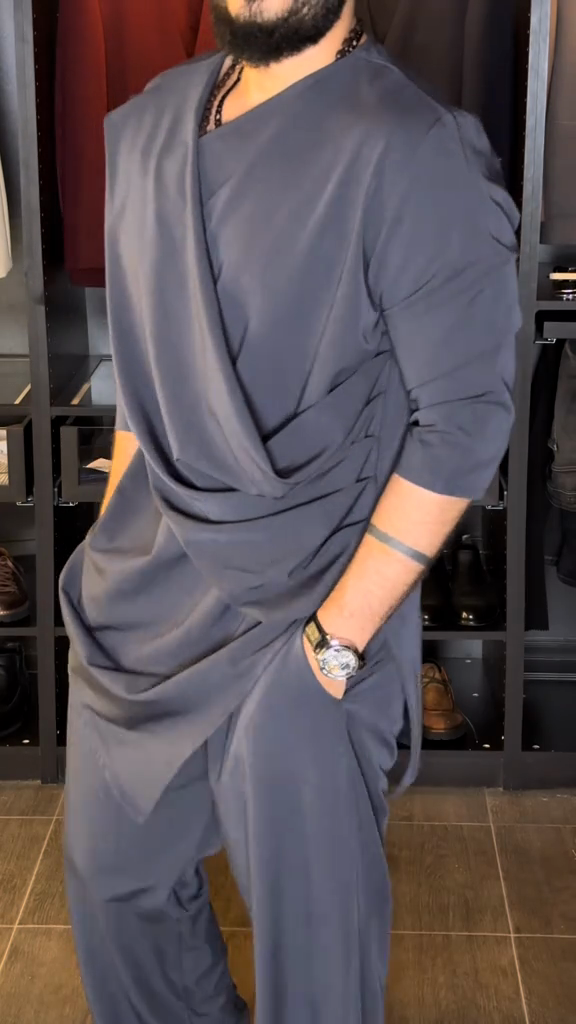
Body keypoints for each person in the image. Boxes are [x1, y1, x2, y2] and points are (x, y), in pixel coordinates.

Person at [60, 0, 521, 1021]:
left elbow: (462, 424)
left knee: (315, 957)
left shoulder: (416, 150)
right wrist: (105, 554)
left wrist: (335, 647)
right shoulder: (152, 122)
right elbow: (143, 377)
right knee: (116, 892)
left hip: (309, 616)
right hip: (142, 611)